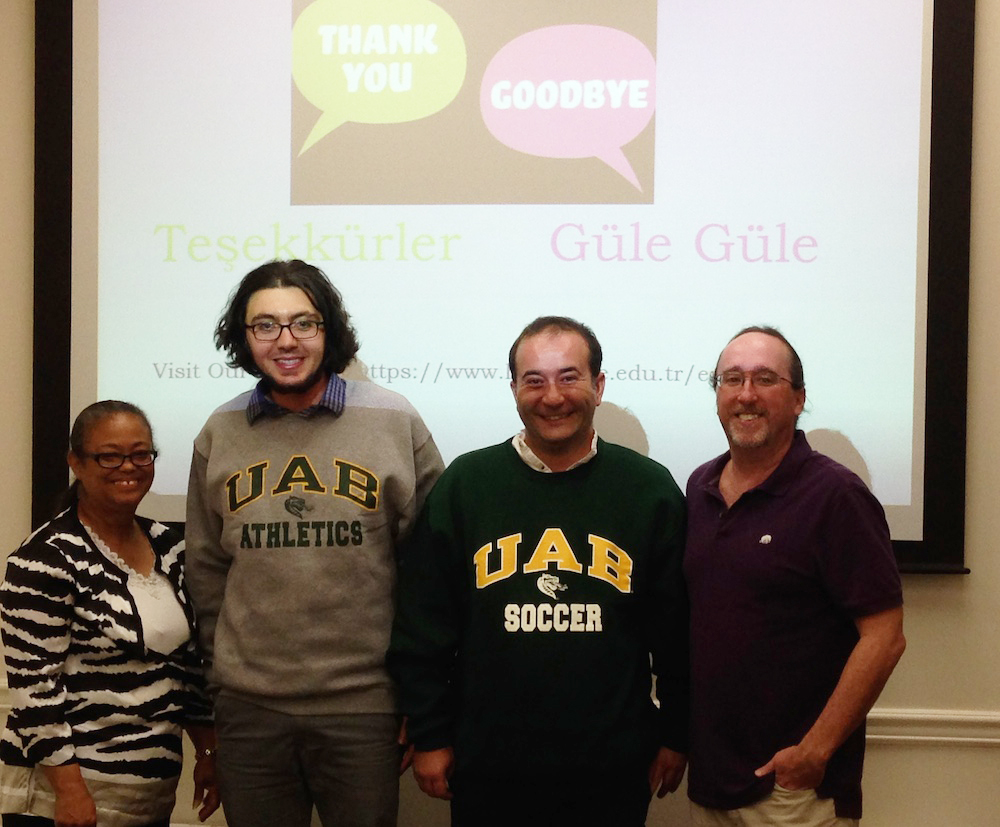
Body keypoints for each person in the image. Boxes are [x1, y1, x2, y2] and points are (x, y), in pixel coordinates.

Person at [387, 316, 689, 827]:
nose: (553, 397)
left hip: (611, 768)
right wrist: (432, 734)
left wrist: (676, 733)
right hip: (490, 767)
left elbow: (678, 630)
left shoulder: (649, 490)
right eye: (534, 380)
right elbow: (422, 623)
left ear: (598, 385)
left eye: (569, 377)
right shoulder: (466, 485)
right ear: (513, 390)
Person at [184, 259, 444, 827]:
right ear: (243, 336)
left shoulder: (393, 420)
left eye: (304, 323)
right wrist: (219, 691)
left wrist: (422, 699)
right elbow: (205, 572)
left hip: (363, 706)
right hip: (250, 708)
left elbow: (432, 573)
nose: (286, 341)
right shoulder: (219, 431)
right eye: (265, 326)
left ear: (329, 331)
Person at [684, 326, 906, 826]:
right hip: (712, 781)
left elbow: (885, 638)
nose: (746, 395)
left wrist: (814, 752)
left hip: (796, 793)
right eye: (731, 379)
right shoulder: (699, 487)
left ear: (799, 398)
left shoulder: (837, 496)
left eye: (766, 379)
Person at [0, 400, 218, 827]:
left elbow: (187, 666)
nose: (129, 467)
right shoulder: (44, 559)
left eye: (141, 454)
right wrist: (70, 793)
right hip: (65, 800)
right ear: (76, 463)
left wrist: (208, 751)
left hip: (148, 792)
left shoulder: (169, 546)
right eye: (109, 456)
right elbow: (34, 691)